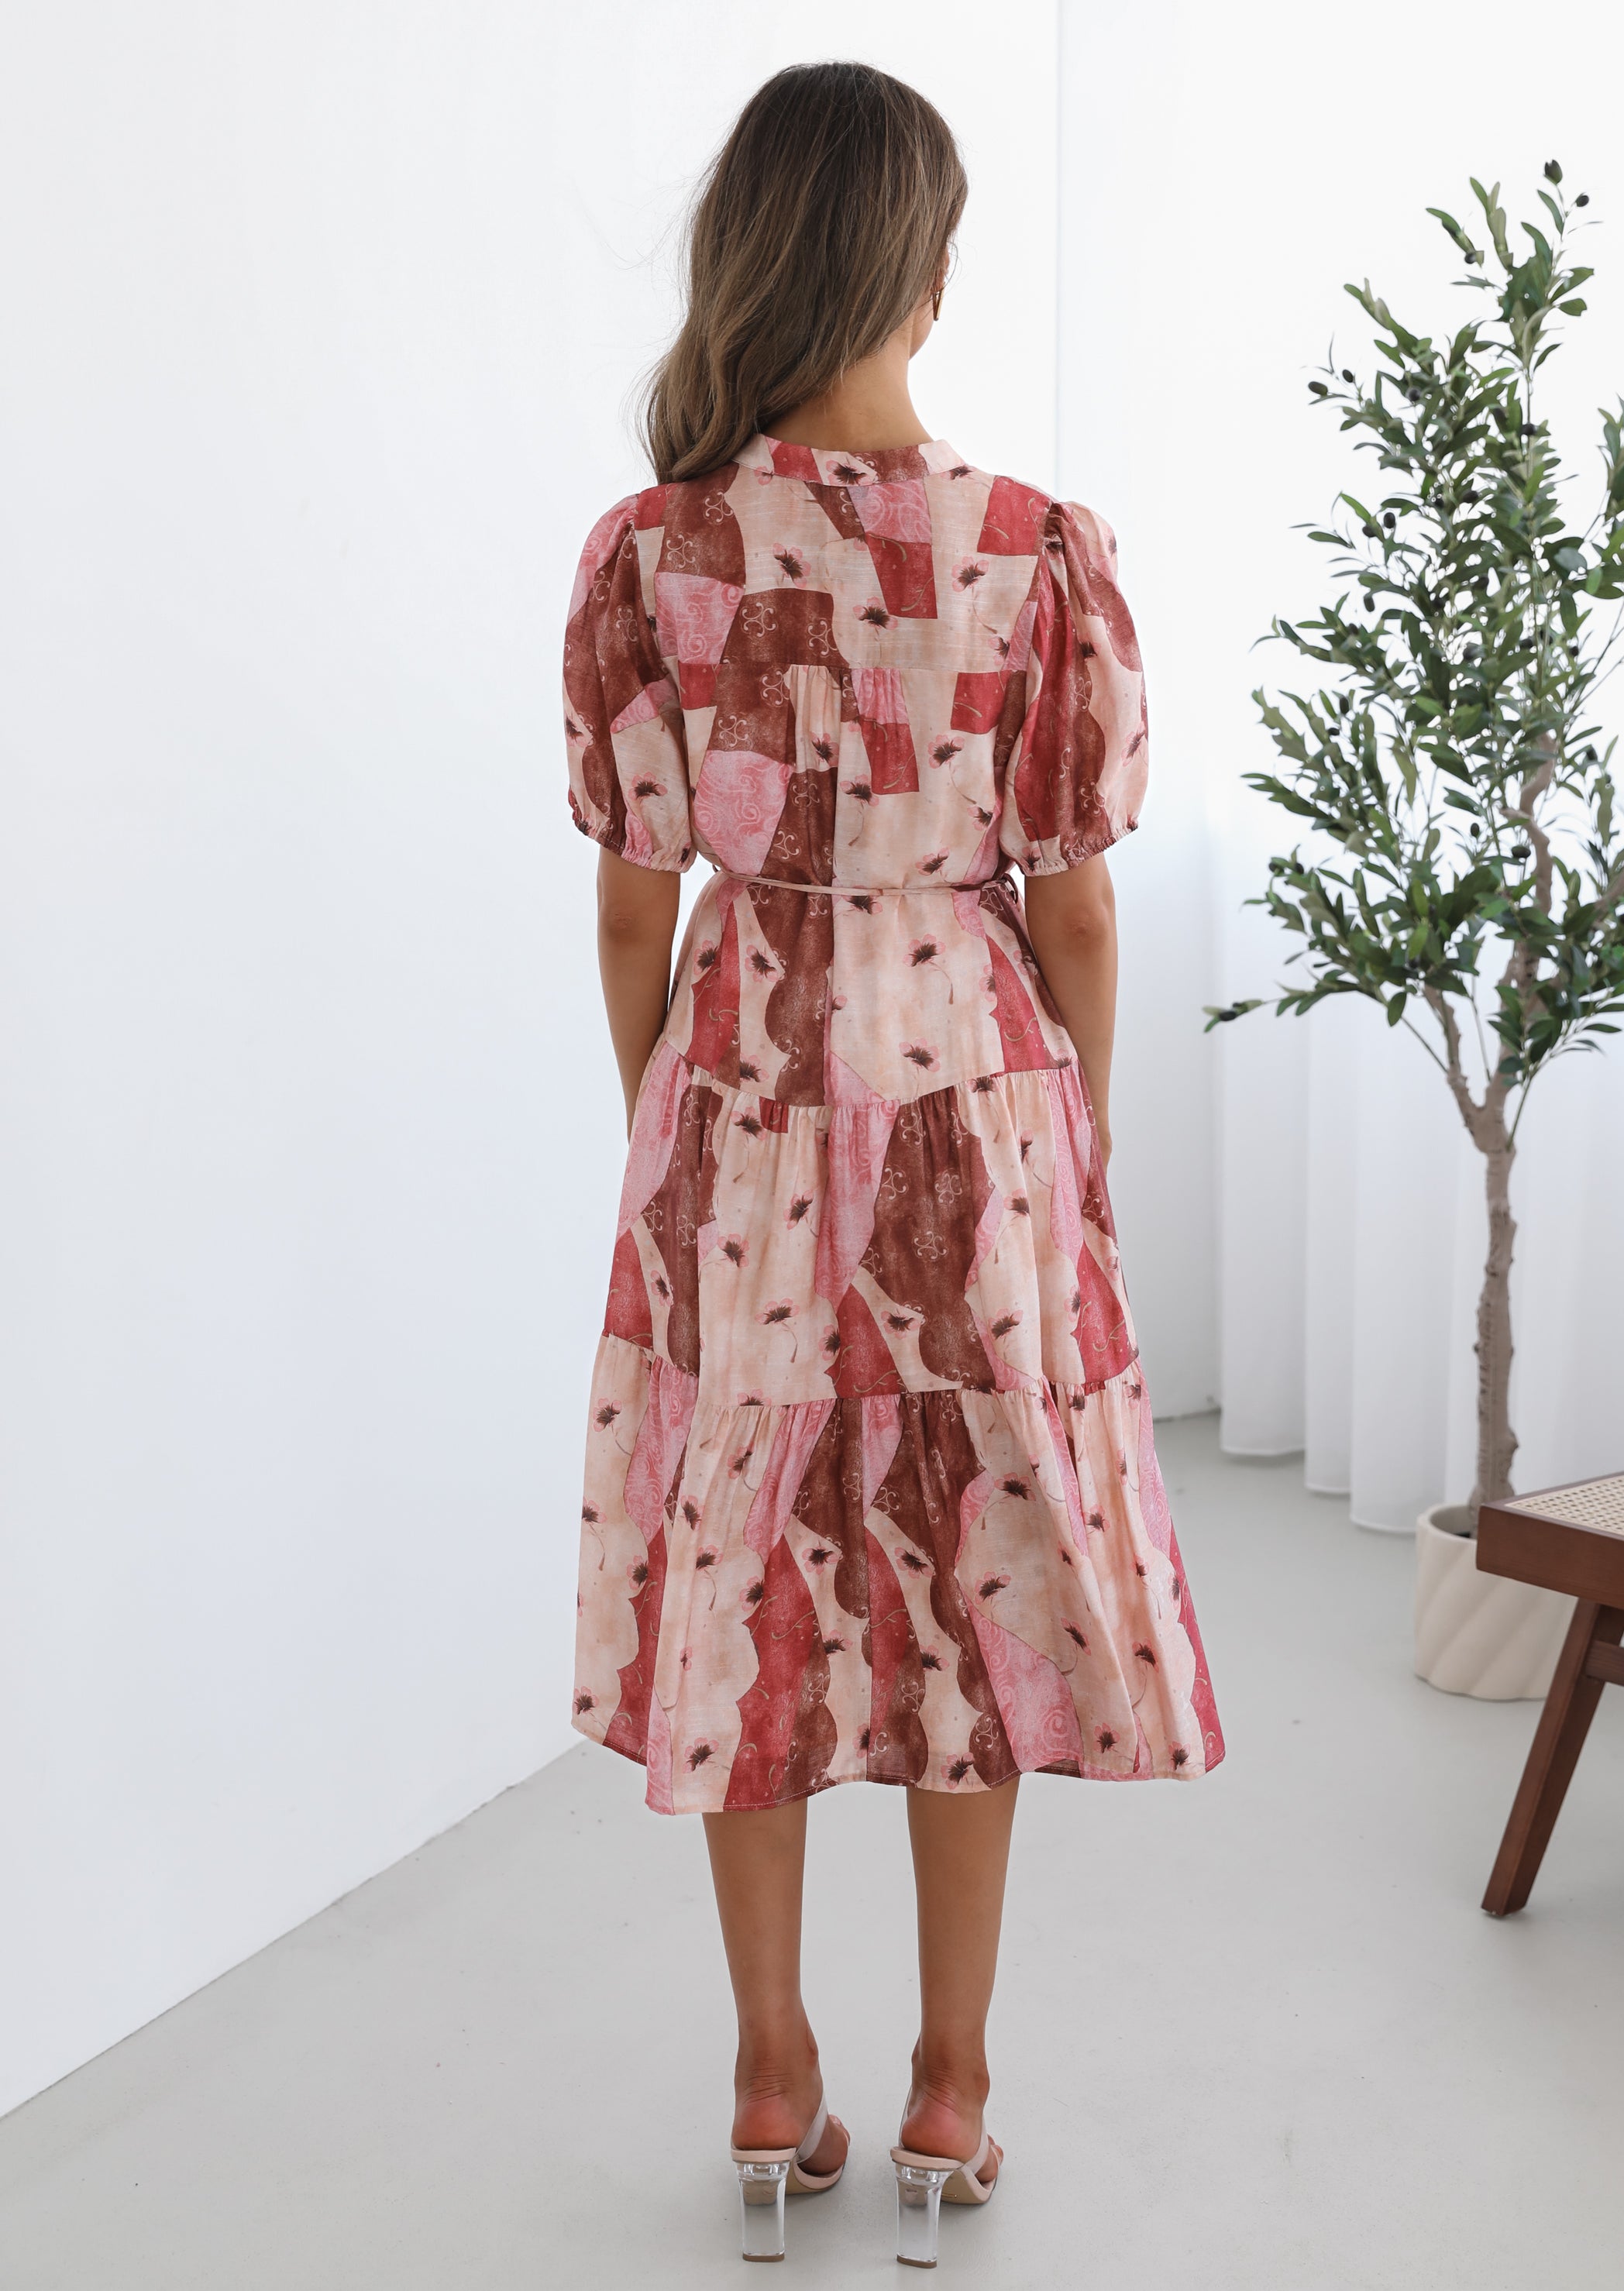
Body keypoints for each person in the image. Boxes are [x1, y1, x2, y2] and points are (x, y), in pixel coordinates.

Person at [562, 60, 1223, 2267]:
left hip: (738, 1103)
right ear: (923, 268)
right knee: (978, 1568)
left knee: (748, 1577)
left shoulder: (651, 551)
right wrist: (1075, 1147)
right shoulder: (1035, 550)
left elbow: (635, 907)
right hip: (977, 1111)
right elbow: (1079, 908)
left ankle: (772, 2078)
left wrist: (673, 1124)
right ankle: (953, 2091)